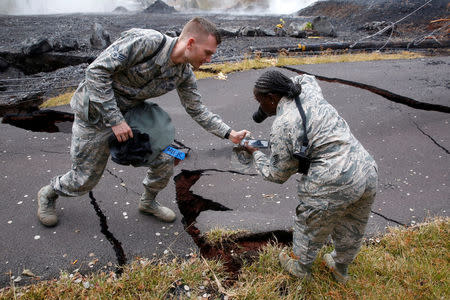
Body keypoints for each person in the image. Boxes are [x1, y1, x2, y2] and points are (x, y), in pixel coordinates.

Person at [37, 17, 249, 227]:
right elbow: (96, 71)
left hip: (131, 116)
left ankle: (148, 201)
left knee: (169, 155)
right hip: (94, 114)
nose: (209, 60)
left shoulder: (184, 73)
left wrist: (230, 133)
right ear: (191, 43)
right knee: (84, 179)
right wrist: (115, 120)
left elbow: (197, 109)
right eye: (208, 53)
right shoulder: (147, 42)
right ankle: (49, 193)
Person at [244, 70, 378, 283]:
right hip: (365, 169)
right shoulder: (307, 89)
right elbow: (306, 77)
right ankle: (341, 269)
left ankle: (300, 267)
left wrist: (255, 153)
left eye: (260, 101)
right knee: (353, 224)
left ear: (271, 98)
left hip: (332, 180)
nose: (260, 107)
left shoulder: (283, 125)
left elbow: (276, 174)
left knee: (309, 225)